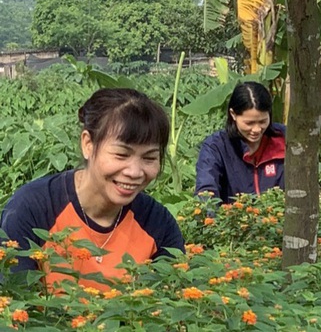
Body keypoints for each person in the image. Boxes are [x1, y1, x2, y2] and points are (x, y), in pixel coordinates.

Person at [0, 88, 185, 291]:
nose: (134, 172)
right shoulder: (32, 209)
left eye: (149, 158)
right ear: (88, 144)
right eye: (121, 155)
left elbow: (172, 302)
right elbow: (16, 302)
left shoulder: (158, 224)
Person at [195, 81, 285, 203]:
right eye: (249, 123)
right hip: (234, 220)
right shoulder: (216, 147)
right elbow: (206, 191)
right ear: (233, 114)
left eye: (263, 121)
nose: (257, 129)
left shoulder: (286, 138)